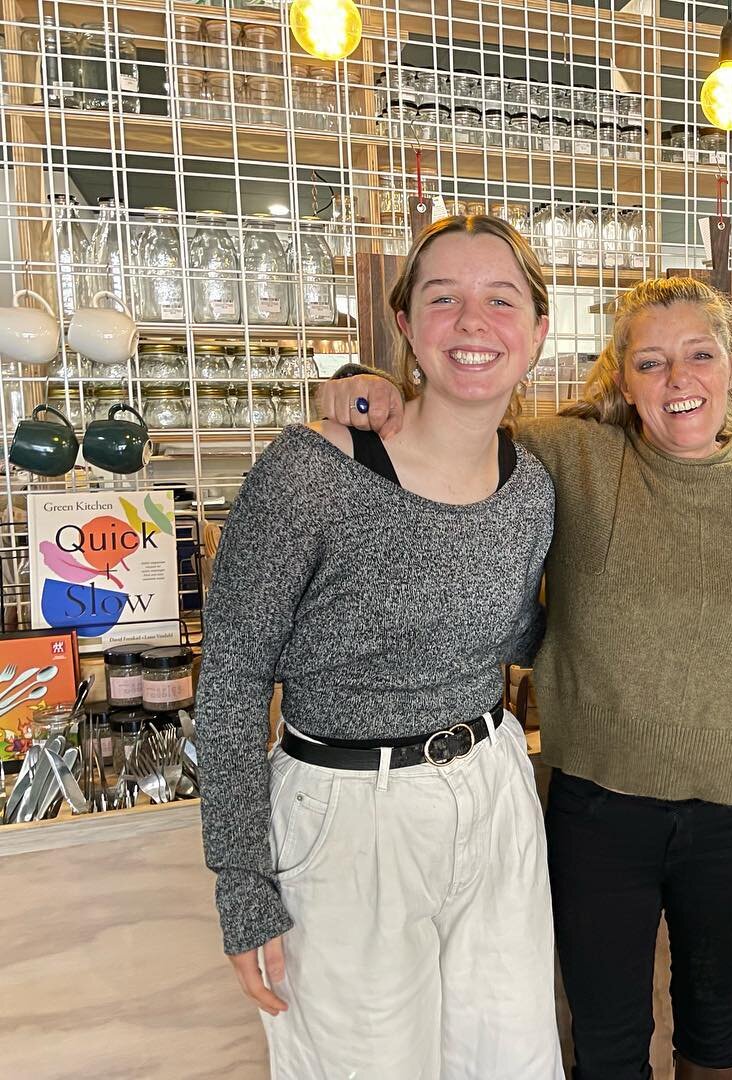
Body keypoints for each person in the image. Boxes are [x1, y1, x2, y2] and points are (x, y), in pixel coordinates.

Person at [316, 276, 732, 1080]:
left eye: (698, 355)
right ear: (620, 378)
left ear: (730, 364)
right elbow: (454, 433)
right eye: (651, 362)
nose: (679, 380)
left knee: (719, 1033)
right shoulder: (569, 456)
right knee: (605, 1042)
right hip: (602, 808)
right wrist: (379, 390)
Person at [195, 215, 564, 1078]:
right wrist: (241, 881)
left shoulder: (533, 485)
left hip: (494, 790)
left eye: (500, 300)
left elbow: (515, 631)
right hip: (348, 811)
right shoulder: (312, 469)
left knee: (509, 1062)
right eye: (445, 298)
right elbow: (235, 676)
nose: (474, 324)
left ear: (539, 331)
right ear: (406, 325)